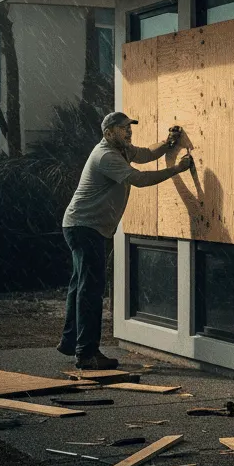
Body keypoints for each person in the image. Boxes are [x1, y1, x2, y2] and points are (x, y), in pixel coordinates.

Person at [58, 111, 192, 369]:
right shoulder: (106, 155)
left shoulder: (122, 149)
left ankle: (71, 341)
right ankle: (86, 354)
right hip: (85, 227)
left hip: (82, 226)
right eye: (122, 128)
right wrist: (175, 169)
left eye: (129, 127)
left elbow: (146, 154)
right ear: (109, 133)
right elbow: (139, 179)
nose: (128, 131)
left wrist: (168, 143)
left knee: (80, 285)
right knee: (91, 289)